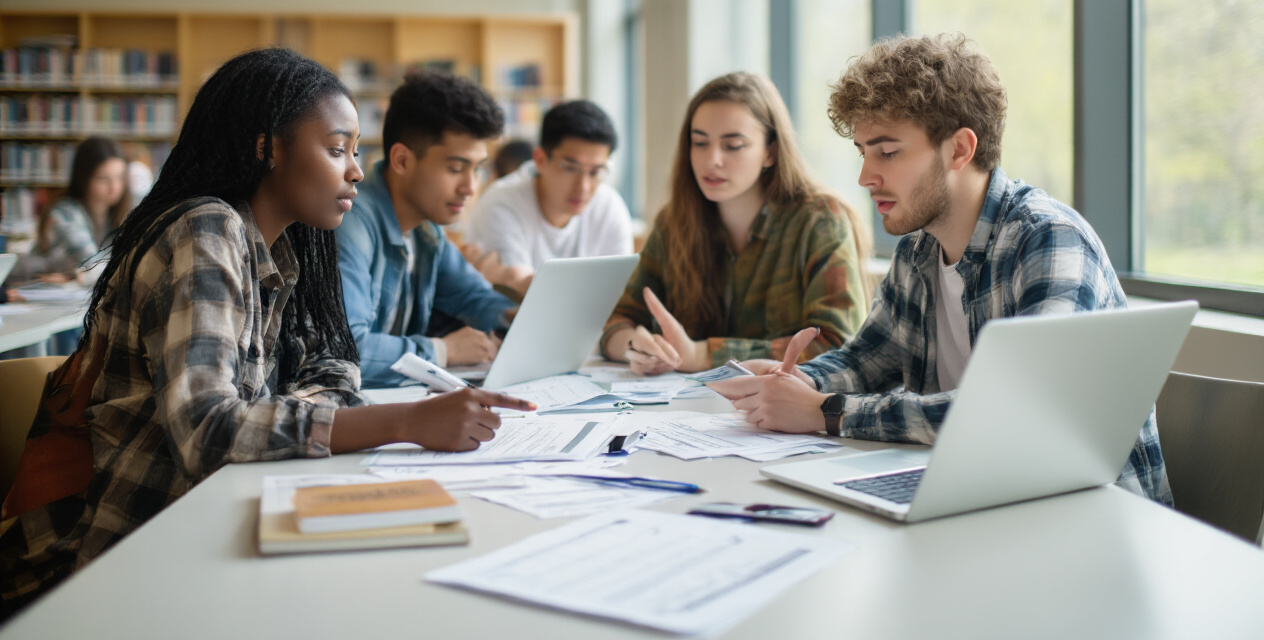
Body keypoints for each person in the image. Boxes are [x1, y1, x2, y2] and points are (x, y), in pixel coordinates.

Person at [0, 49, 532, 616]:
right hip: (116, 554)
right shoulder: (205, 231)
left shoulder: (288, 242)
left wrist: (277, 414)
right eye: (336, 150)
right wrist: (403, 421)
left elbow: (336, 363)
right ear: (267, 148)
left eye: (355, 152)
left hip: (210, 519)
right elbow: (207, 433)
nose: (355, 170)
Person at [713, 33, 1170, 503]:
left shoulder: (1048, 240)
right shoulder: (918, 252)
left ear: (959, 150)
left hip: (1088, 518)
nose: (865, 176)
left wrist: (827, 411)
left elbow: (1019, 416)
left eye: (888, 152)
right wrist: (799, 383)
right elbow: (866, 360)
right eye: (863, 152)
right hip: (983, 495)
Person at [599, 72, 870, 375]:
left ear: (770, 152)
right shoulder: (673, 222)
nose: (711, 159)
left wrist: (703, 355)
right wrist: (635, 347)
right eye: (699, 143)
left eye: (733, 145)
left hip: (779, 413)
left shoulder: (821, 221)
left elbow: (840, 345)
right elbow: (615, 323)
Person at [336, 70, 519, 388]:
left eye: (478, 170)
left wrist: (513, 317)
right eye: (456, 169)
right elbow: (349, 351)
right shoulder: (349, 221)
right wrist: (444, 350)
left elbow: (473, 297)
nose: (470, 187)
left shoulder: (427, 230)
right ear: (402, 160)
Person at [464, 100, 634, 280]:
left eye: (595, 172)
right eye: (570, 167)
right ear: (540, 160)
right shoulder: (500, 205)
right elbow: (515, 293)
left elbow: (621, 289)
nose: (583, 186)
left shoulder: (609, 206)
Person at [7, 136, 129, 285]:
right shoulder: (65, 212)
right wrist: (82, 276)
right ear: (84, 178)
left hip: (68, 293)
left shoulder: (117, 215)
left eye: (120, 177)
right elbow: (93, 265)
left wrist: (79, 276)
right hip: (28, 287)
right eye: (103, 179)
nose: (114, 187)